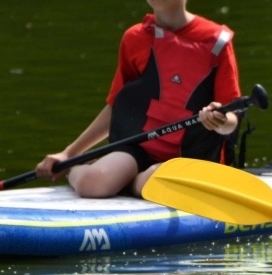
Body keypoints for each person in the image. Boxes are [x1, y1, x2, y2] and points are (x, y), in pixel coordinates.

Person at [36, 0, 241, 198]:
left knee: (160, 180)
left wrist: (220, 120)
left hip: (191, 157)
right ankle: (79, 167)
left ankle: (130, 183)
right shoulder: (135, 38)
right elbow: (116, 107)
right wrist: (69, 154)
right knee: (93, 183)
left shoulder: (217, 42)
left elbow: (232, 119)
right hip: (137, 149)